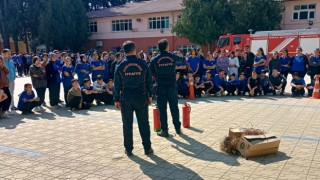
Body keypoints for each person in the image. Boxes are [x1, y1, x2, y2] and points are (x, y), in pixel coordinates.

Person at [114, 40, 153, 156]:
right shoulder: (143, 64)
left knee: (127, 124)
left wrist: (116, 99)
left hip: (126, 98)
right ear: (134, 50)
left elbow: (117, 84)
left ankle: (129, 149)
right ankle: (147, 148)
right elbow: (149, 81)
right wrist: (150, 95)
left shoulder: (120, 66)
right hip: (141, 97)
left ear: (124, 52)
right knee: (144, 123)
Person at [150, 39, 181, 137]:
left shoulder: (154, 59)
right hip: (172, 86)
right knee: (174, 107)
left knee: (162, 109)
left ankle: (164, 130)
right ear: (167, 47)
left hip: (160, 86)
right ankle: (178, 128)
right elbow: (182, 60)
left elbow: (150, 73)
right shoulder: (173, 56)